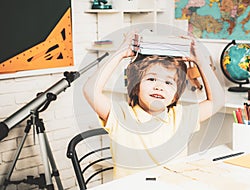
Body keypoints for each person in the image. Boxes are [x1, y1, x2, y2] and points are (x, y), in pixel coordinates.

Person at [83, 33, 225, 179]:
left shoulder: (181, 117)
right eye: (151, 79)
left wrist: (200, 62)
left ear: (175, 95)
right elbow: (90, 90)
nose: (159, 87)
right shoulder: (121, 116)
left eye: (168, 82)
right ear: (136, 87)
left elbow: (216, 101)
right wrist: (120, 53)